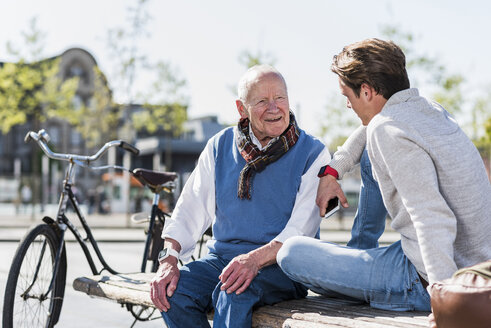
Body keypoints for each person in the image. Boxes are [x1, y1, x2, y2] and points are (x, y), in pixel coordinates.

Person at [277, 38, 491, 312]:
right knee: (368, 151)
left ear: (366, 92)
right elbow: (368, 130)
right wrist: (332, 171)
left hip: (429, 279)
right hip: (471, 264)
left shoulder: (387, 130)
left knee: (291, 253)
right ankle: (361, 252)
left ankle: (373, 278)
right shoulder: (428, 110)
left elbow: (433, 217)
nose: (348, 106)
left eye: (347, 96)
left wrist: (447, 302)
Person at [150, 65, 330, 327]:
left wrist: (254, 260)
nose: (274, 107)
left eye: (280, 98)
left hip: (283, 268)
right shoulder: (219, 146)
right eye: (262, 101)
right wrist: (168, 259)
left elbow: (301, 230)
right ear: (241, 108)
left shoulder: (314, 152)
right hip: (223, 261)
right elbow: (189, 207)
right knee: (173, 290)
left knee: (233, 291)